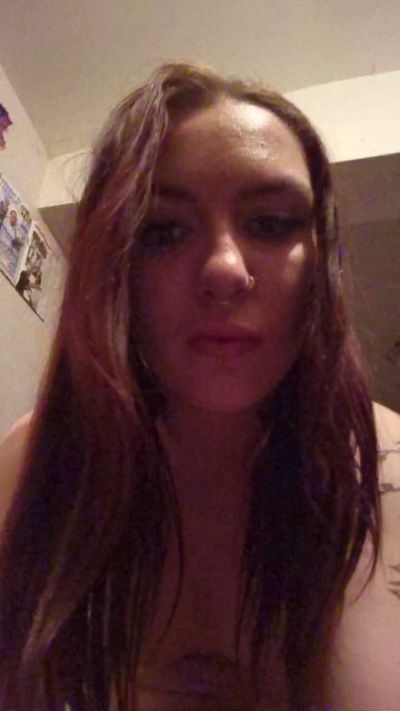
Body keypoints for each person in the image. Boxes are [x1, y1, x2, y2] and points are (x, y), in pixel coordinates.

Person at [0, 63, 399, 711]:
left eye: (271, 223)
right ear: (116, 266)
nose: (224, 269)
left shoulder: (387, 463)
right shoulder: (39, 459)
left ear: (320, 258)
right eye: (163, 231)